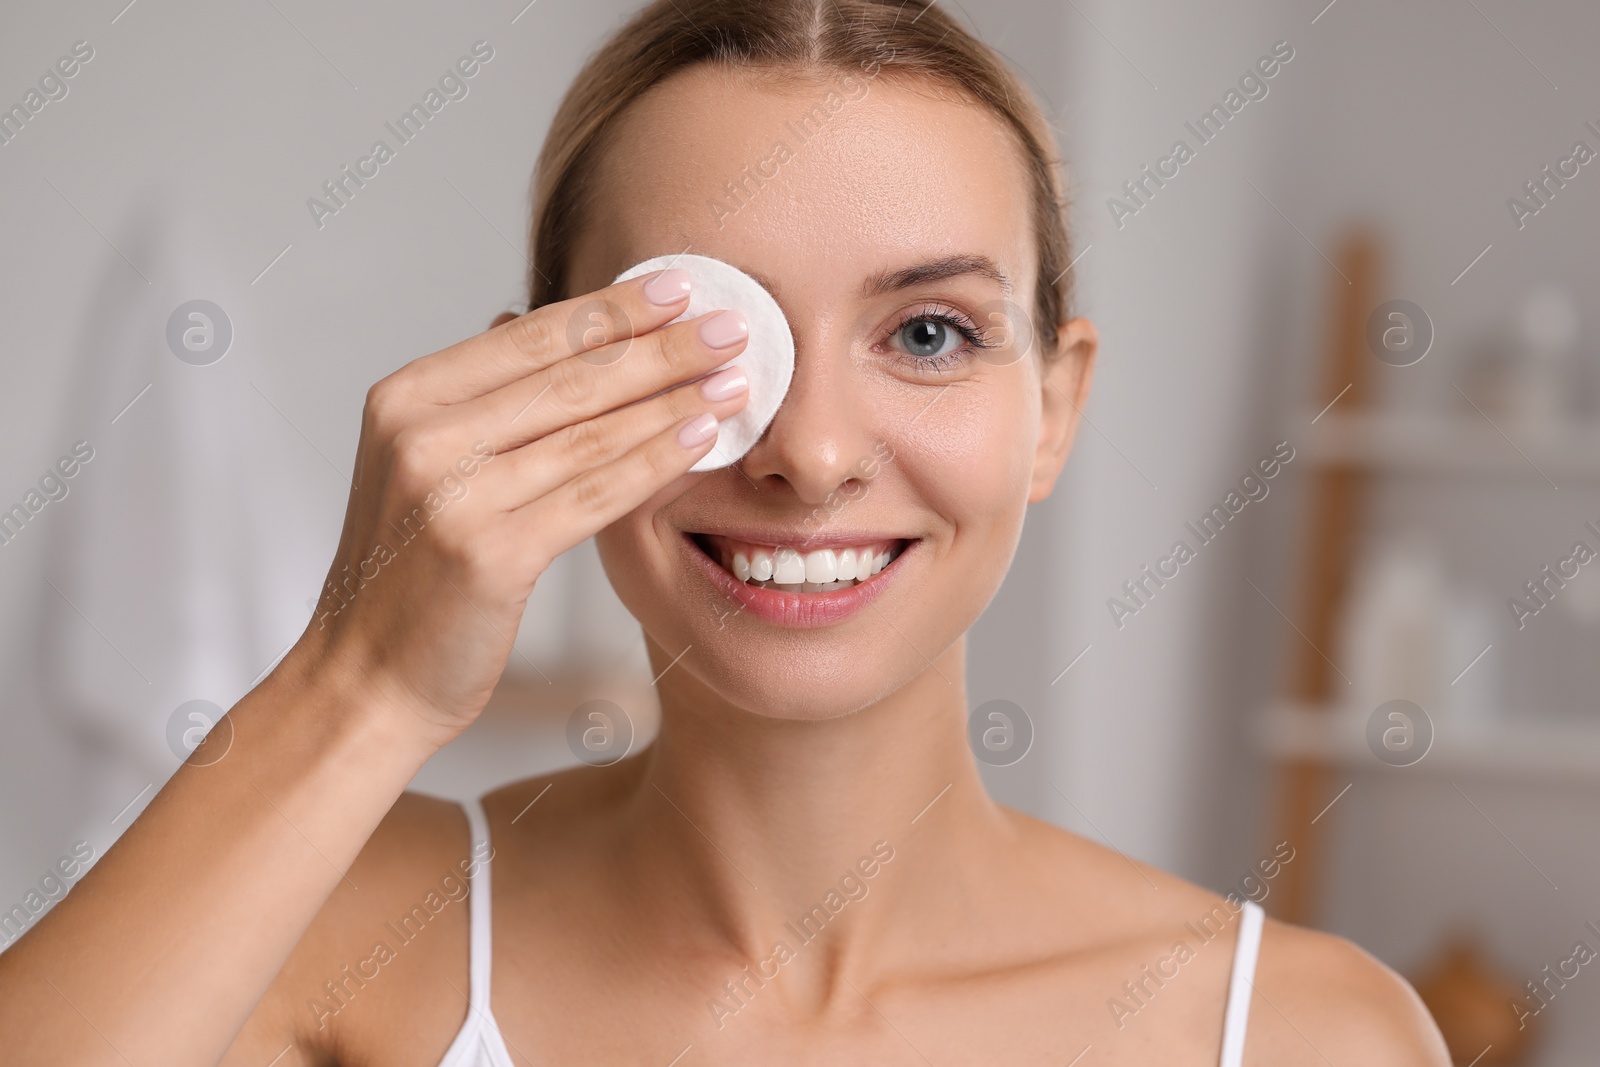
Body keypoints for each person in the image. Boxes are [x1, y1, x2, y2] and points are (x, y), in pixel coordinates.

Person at [0, 1, 1449, 1063]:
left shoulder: (1297, 1033)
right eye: (701, 339)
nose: (810, 457)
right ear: (547, 387)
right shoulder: (352, 943)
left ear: (1053, 405)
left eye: (929, 332)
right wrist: (359, 685)